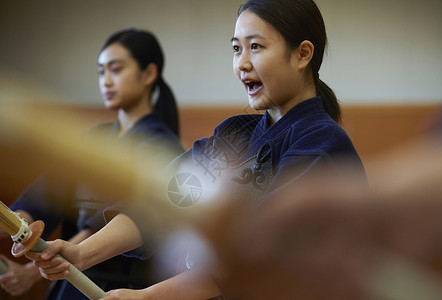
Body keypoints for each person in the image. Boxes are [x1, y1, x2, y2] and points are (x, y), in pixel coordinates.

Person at [27, 0, 367, 299]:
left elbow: (254, 255)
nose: (242, 63)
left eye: (256, 47)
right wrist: (81, 253)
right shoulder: (236, 132)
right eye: (236, 48)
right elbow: (167, 198)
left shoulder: (322, 144)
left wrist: (146, 297)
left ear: (303, 54)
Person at [0, 28, 184, 299]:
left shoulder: (164, 148)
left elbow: (103, 225)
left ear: (149, 74)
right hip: (70, 276)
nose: (106, 81)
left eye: (116, 70)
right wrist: (12, 224)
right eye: (101, 72)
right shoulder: (94, 138)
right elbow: (42, 199)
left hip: (119, 286)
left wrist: (30, 272)